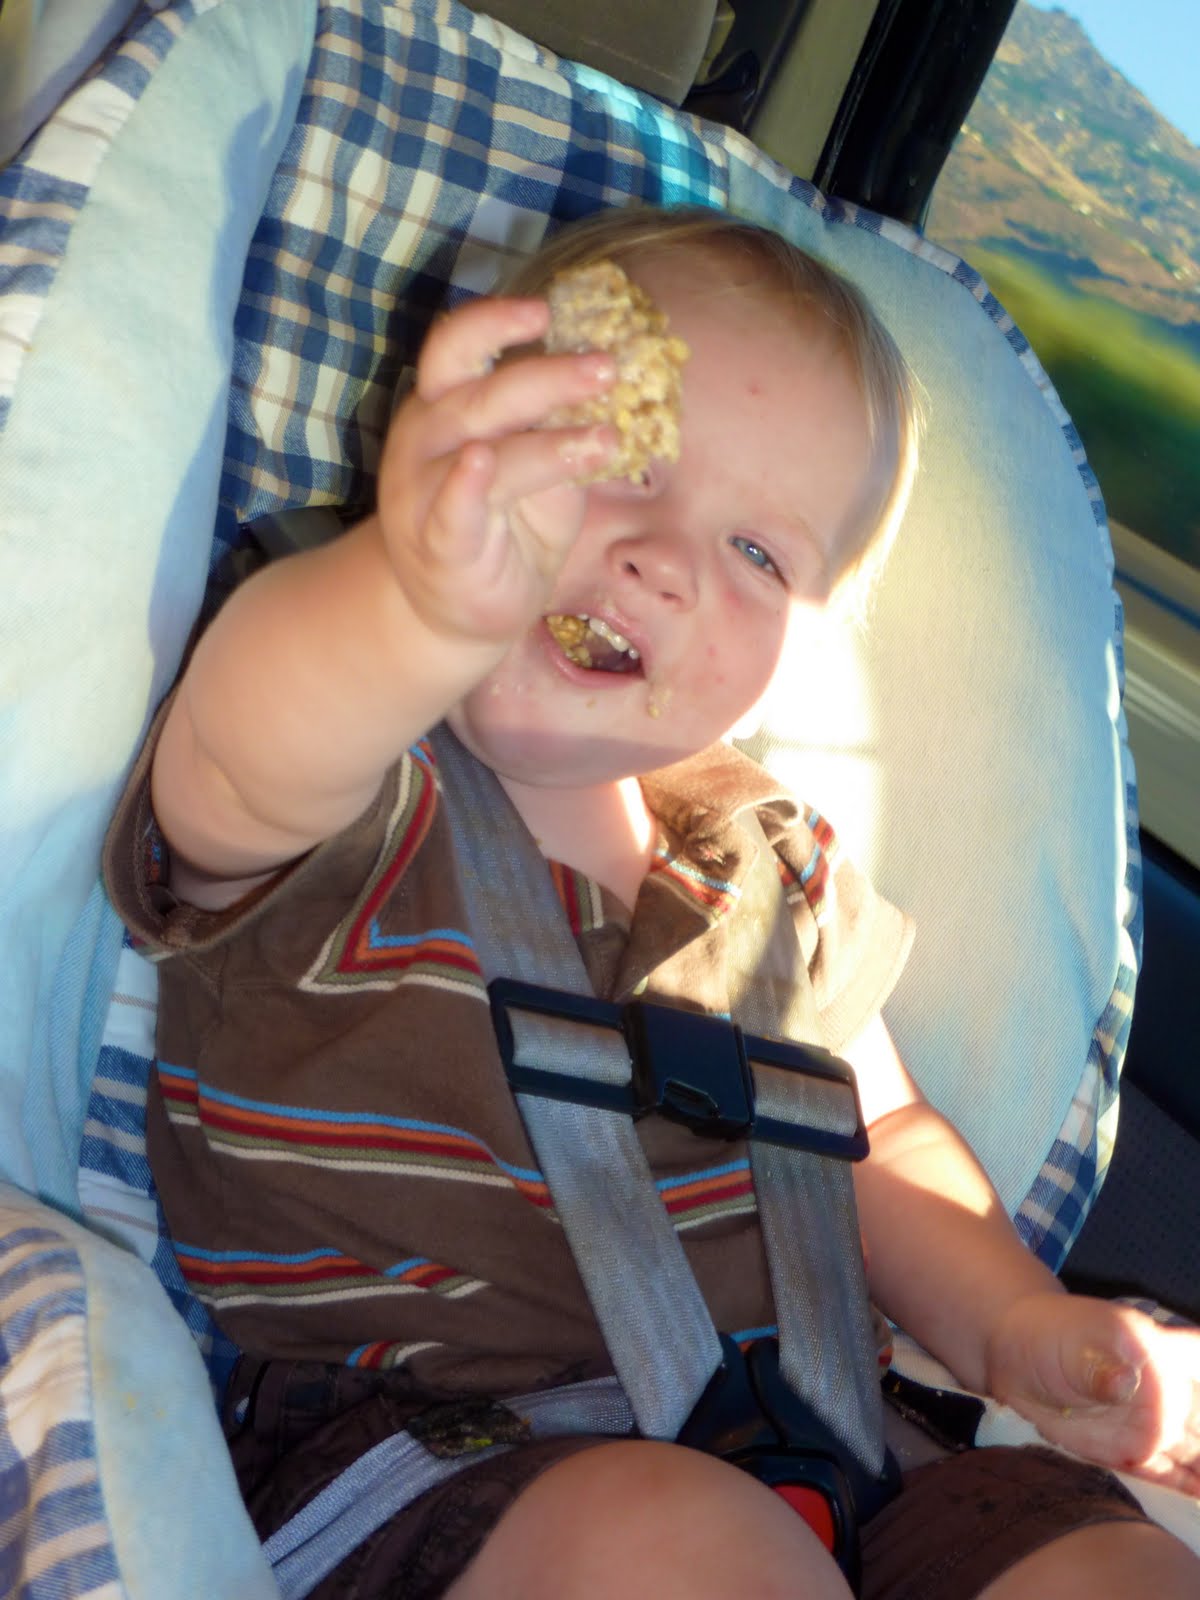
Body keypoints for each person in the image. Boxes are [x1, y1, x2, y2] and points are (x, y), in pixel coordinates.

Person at [104, 207, 1200, 1600]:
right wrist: (410, 601)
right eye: (617, 458)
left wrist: (1017, 1324)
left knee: (1098, 1562)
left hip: (847, 1451)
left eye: (758, 554)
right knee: (676, 1544)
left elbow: (885, 1138)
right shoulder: (353, 778)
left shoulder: (777, 864)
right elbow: (232, 767)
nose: (664, 555)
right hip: (459, 1470)